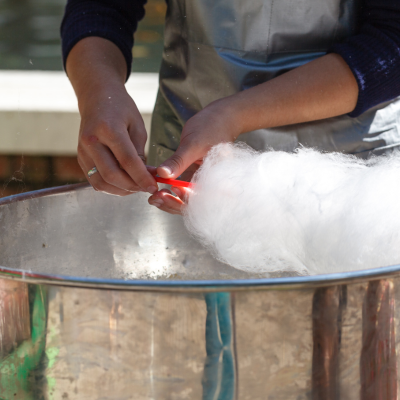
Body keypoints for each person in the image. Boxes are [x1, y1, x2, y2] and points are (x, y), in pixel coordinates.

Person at [61, 0, 400, 215]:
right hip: (189, 172)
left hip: (349, 183)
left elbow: (392, 43)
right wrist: (100, 93)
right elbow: (100, 8)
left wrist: (232, 114)